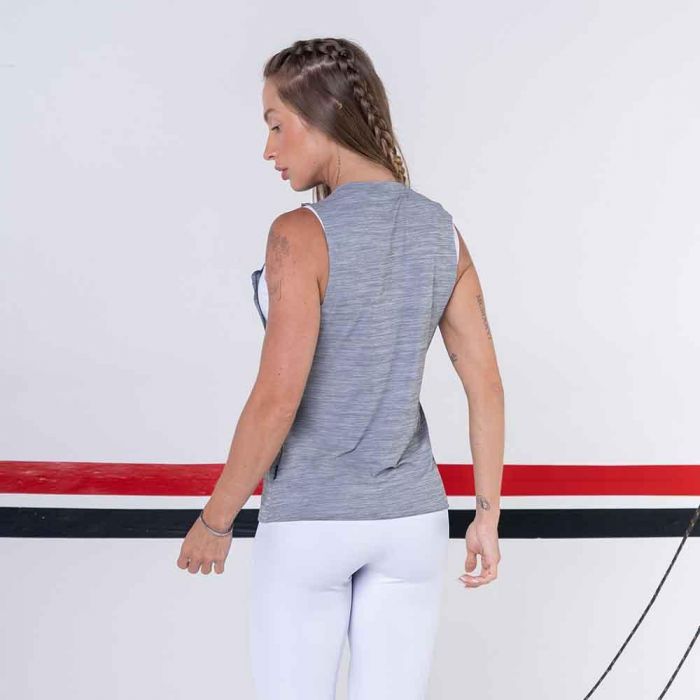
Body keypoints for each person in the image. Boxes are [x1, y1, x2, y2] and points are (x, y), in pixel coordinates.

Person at [177, 37, 504, 700]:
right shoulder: (440, 230)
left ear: (321, 116)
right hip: (411, 525)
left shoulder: (300, 234)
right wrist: (486, 518)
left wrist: (216, 519)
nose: (268, 149)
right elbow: (486, 386)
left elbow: (278, 397)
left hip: (311, 524)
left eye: (276, 125)